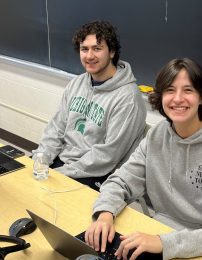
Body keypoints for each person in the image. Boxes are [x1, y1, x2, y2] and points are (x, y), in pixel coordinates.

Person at [85, 58, 202, 260]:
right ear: (161, 96)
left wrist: (165, 243)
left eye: (188, 90)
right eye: (170, 90)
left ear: (201, 97)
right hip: (163, 232)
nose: (178, 99)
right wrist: (105, 213)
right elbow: (121, 181)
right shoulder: (156, 136)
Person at [32, 21, 146, 190]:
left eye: (97, 48)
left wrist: (61, 173)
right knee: (18, 184)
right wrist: (41, 160)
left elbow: (108, 155)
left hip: (96, 173)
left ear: (112, 52)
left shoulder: (128, 99)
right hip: (63, 162)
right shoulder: (77, 83)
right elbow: (56, 128)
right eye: (84, 49)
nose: (89, 56)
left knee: (47, 204)